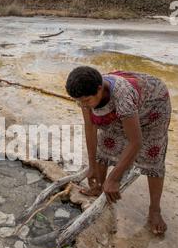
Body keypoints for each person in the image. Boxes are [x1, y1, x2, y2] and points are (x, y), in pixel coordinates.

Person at [66, 66, 172, 235]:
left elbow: (136, 142)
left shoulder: (122, 96)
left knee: (152, 157)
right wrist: (92, 166)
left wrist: (115, 178)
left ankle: (155, 210)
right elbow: (90, 128)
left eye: (85, 101)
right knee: (106, 143)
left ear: (99, 89)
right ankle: (99, 187)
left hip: (153, 106)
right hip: (123, 108)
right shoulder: (86, 94)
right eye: (78, 101)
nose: (82, 105)